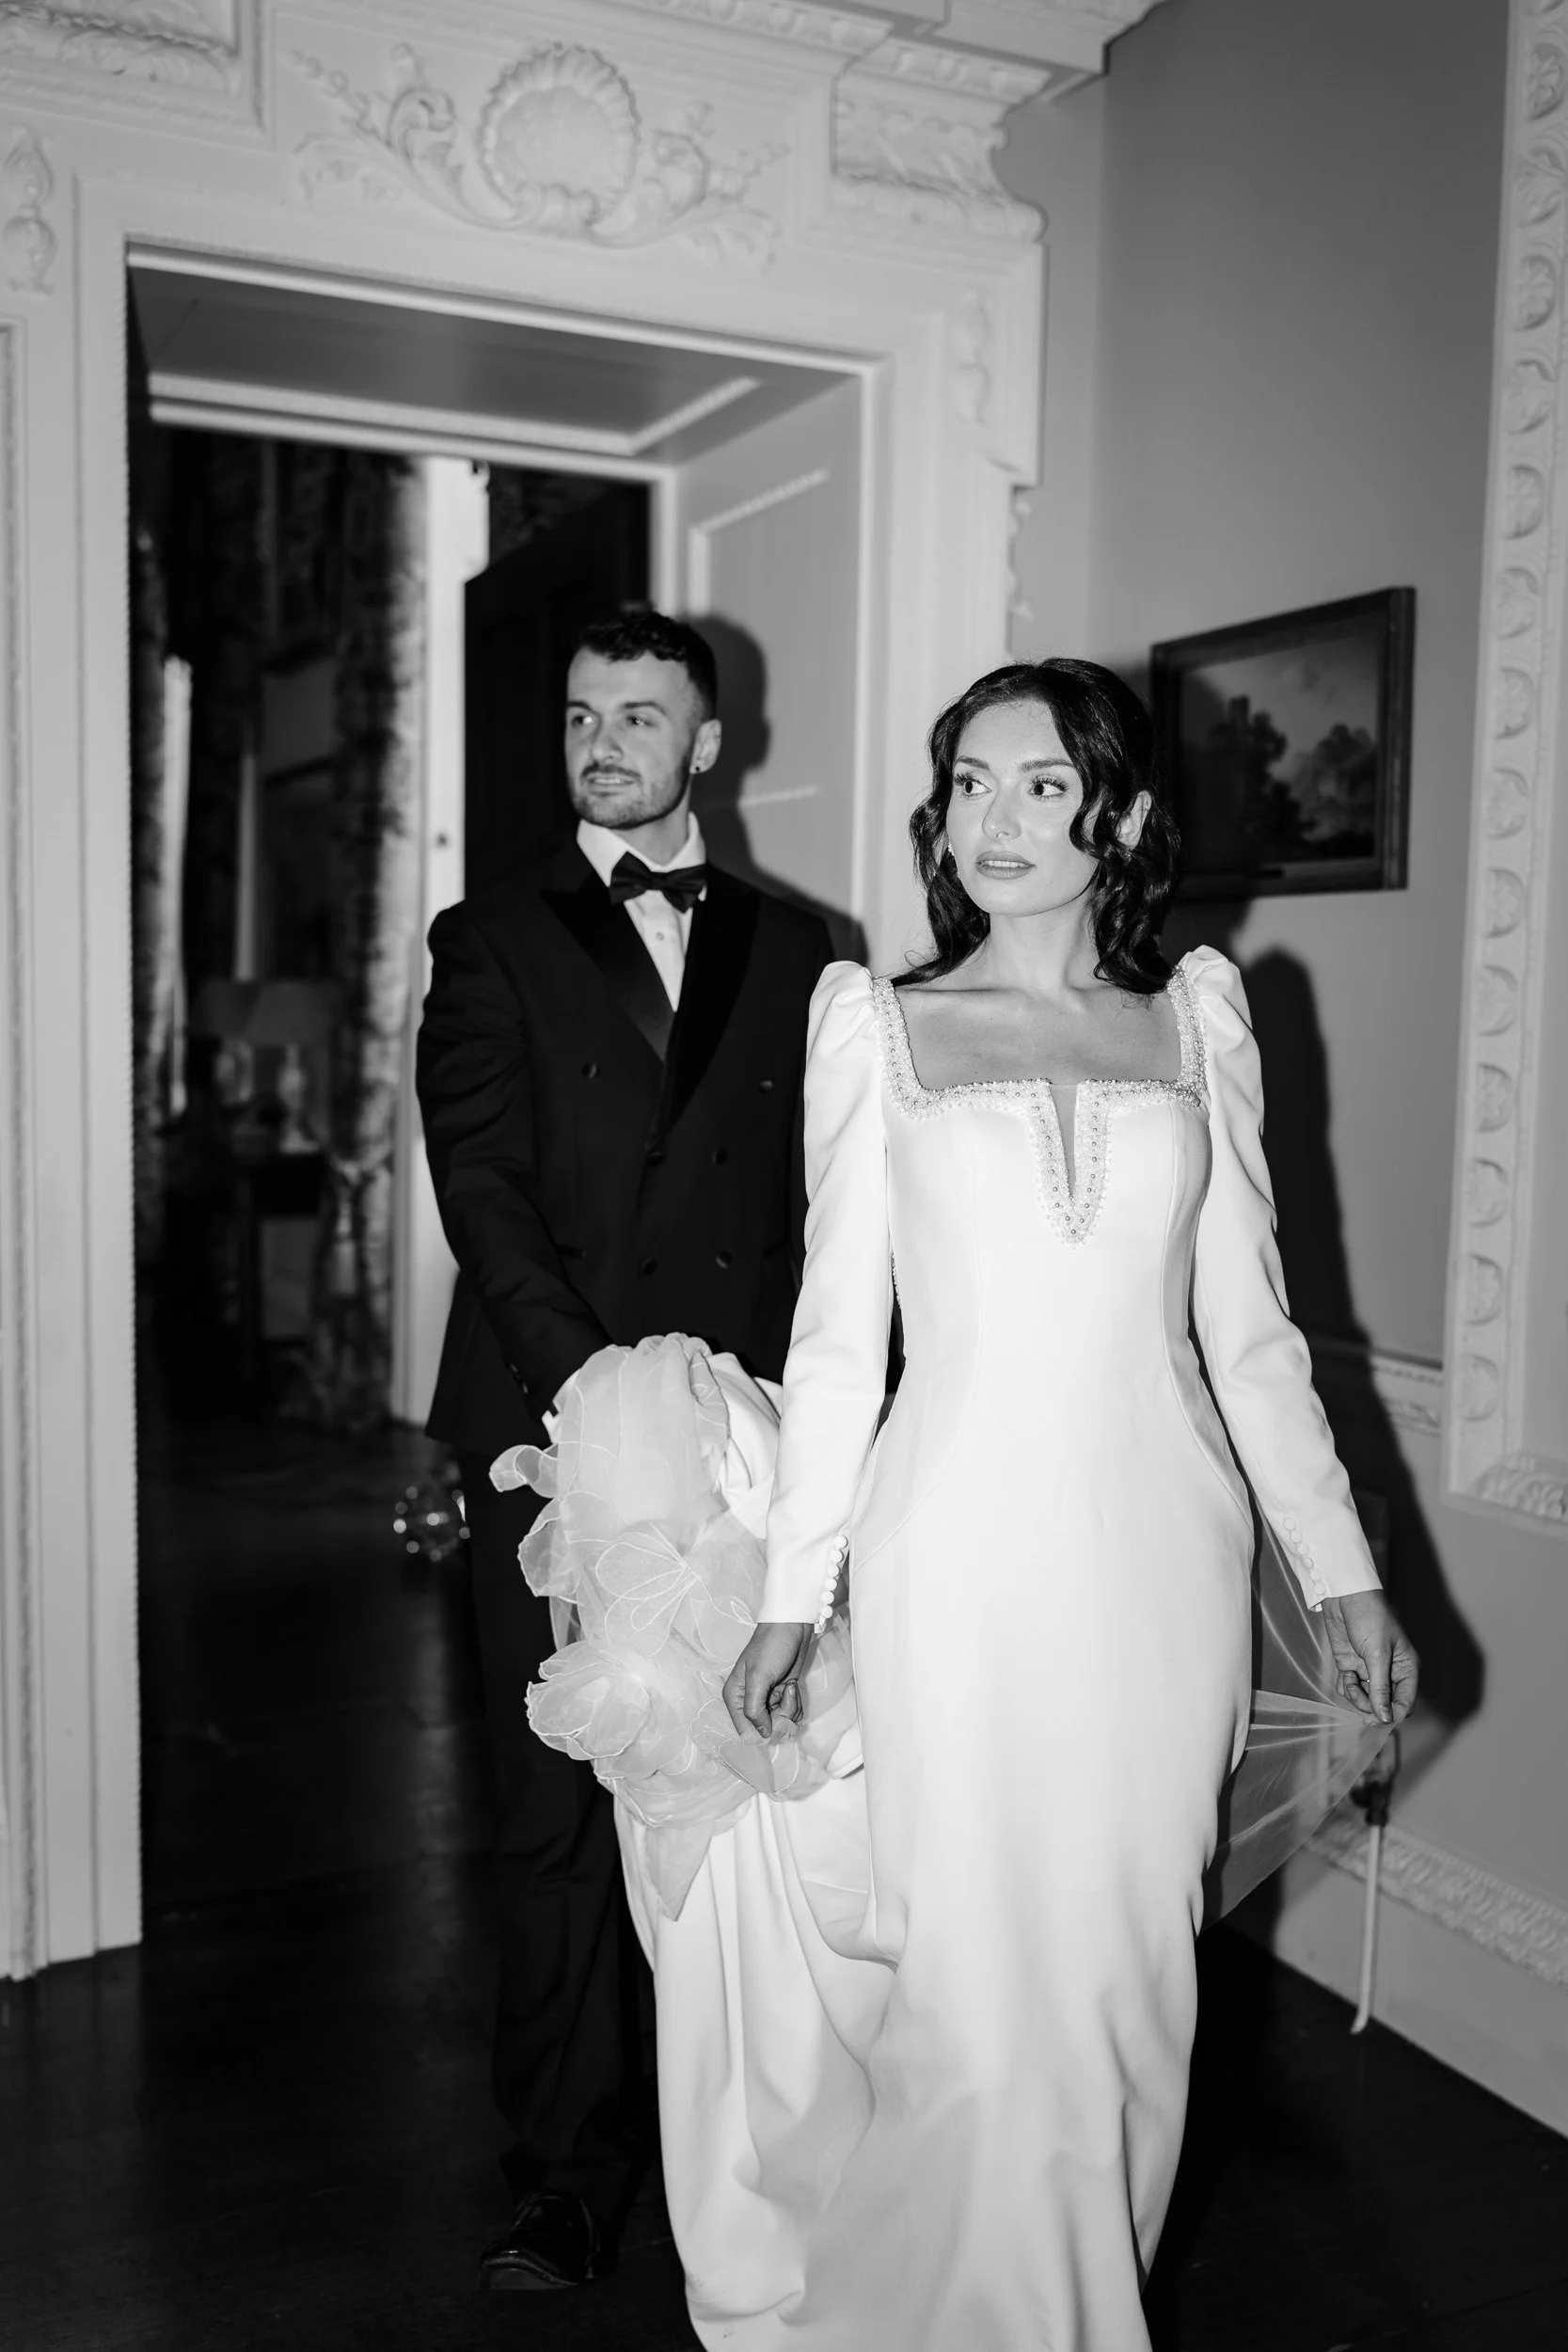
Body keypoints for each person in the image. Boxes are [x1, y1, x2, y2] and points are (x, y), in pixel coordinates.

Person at [703, 657, 1418, 2347]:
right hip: (950, 1559)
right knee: (973, 1986)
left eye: (1038, 783)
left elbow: (1251, 1341)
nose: (996, 818)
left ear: (1124, 815)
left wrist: (1342, 1576)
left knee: (1126, 1974)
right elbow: (830, 1347)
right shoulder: (871, 1026)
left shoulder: (1199, 1017)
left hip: (1166, 1569)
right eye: (968, 783)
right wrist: (795, 1596)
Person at [416, 608, 832, 2291]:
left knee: (736, 1804)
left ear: (705, 743)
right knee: (555, 1813)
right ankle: (568, 2179)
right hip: (552, 1436)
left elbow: (818, 1215)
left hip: (740, 1447)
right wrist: (600, 1405)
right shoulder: (487, 933)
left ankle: (741, 2153)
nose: (604, 741)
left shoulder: (807, 948)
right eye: (584, 716)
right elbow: (484, 1191)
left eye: (640, 716)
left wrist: (799, 1426)